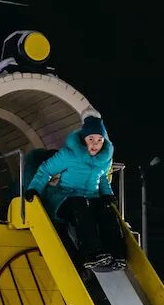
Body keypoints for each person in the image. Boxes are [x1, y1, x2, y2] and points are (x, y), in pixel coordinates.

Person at [24, 114, 126, 270]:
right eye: (91, 139)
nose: (95, 144)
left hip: (91, 198)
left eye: (99, 140)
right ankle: (91, 253)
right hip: (65, 197)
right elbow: (46, 170)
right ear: (83, 139)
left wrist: (106, 194)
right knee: (80, 206)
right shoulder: (70, 154)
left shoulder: (104, 159)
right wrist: (34, 189)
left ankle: (117, 254)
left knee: (106, 210)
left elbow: (103, 177)